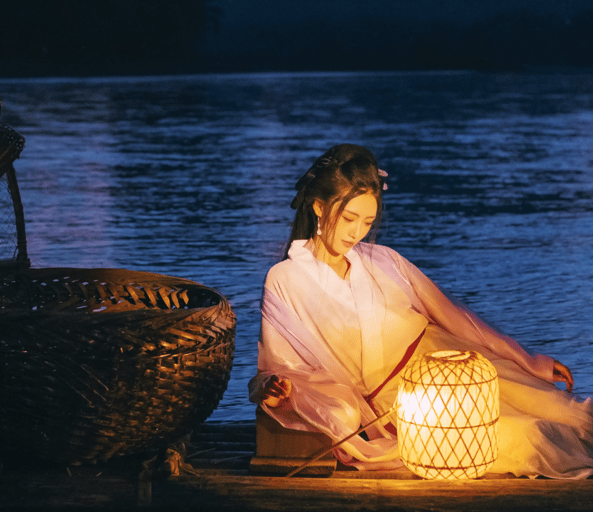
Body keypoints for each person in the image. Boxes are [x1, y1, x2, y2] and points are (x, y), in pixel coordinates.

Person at [248, 143, 593, 479]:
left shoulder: (382, 260)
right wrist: (278, 387)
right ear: (320, 207)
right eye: (349, 217)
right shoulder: (285, 280)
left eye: (367, 222)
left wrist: (527, 360)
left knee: (568, 415)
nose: (356, 233)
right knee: (523, 437)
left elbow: (455, 318)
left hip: (451, 367)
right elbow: (278, 364)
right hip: (406, 404)